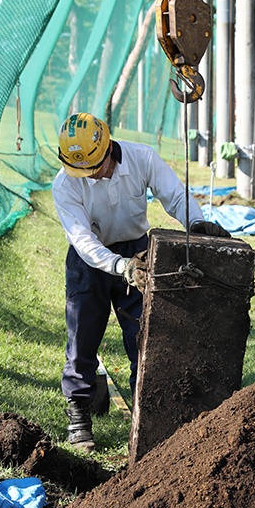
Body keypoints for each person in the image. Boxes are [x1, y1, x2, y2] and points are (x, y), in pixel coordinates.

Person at [51, 112, 230, 451]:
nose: (88, 176)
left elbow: (175, 196)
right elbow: (83, 240)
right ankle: (78, 416)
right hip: (91, 261)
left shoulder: (141, 157)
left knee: (145, 337)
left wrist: (196, 224)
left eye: (93, 167)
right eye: (81, 171)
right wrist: (120, 266)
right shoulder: (65, 183)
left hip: (139, 251)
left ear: (108, 149)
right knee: (83, 338)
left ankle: (145, 414)